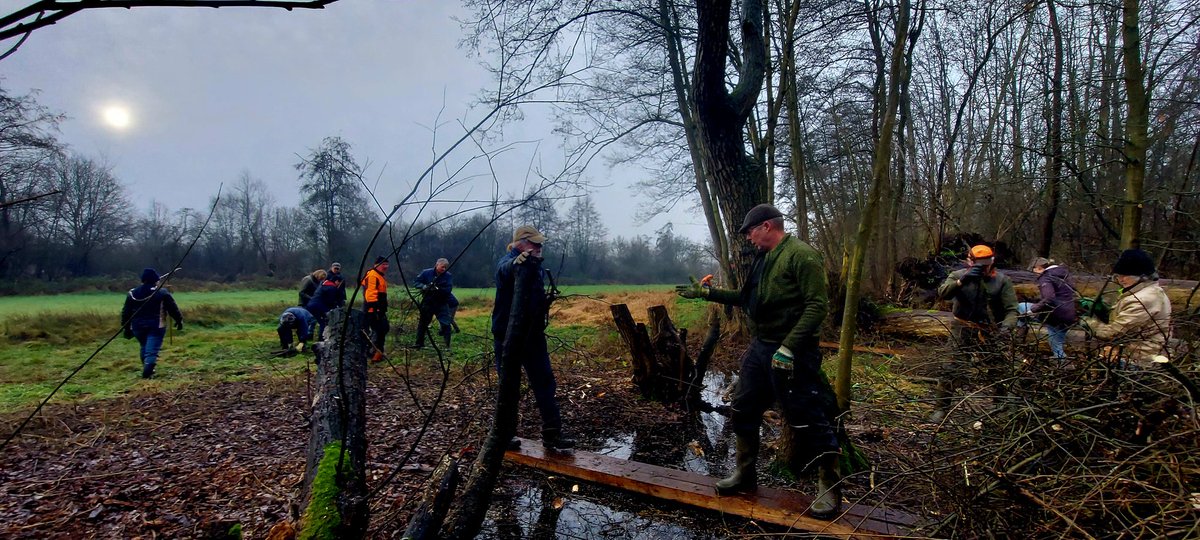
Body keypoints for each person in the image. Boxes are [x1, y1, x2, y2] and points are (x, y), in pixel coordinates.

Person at [675, 204, 839, 519]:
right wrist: (708, 294)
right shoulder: (764, 259)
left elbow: (817, 307)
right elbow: (745, 298)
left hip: (795, 351)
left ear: (766, 226)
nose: (748, 239)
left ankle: (829, 485)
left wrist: (789, 347)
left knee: (807, 416)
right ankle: (745, 474)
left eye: (750, 232)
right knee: (743, 407)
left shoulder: (802, 256)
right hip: (762, 348)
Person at [492, 225, 575, 451]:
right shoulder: (508, 262)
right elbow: (503, 271)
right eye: (534, 243)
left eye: (540, 244)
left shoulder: (535, 266)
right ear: (520, 243)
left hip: (533, 337)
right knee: (508, 387)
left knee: (545, 383)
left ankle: (552, 435)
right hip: (507, 337)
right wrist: (516, 263)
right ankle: (504, 435)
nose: (539, 247)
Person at [931, 244, 1019, 422]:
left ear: (992, 262)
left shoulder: (1002, 280)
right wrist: (961, 281)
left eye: (986, 264)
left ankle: (1000, 406)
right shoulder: (958, 276)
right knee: (950, 368)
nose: (984, 267)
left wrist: (1006, 327)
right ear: (970, 261)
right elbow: (942, 293)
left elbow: (1012, 309)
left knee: (999, 369)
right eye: (979, 264)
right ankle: (941, 408)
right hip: (961, 328)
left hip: (990, 330)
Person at [1081, 249, 1172, 368]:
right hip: (1139, 357)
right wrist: (1103, 312)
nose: (1121, 279)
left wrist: (1088, 323)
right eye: (1119, 275)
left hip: (1139, 360)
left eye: (1126, 276)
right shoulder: (1145, 292)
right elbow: (1129, 324)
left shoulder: (1143, 299)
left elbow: (1113, 333)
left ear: (1143, 277)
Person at [121, 268, 184, 379]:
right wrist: (179, 320)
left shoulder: (132, 293)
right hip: (156, 325)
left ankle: (147, 368)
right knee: (151, 350)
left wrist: (126, 328)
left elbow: (126, 312)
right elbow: (173, 309)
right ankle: (148, 370)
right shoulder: (162, 292)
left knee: (144, 346)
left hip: (137, 326)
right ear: (155, 280)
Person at [1018, 257, 1078, 360]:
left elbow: (1049, 298)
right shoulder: (1064, 274)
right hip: (1068, 315)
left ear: (1039, 267)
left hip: (1055, 314)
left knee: (1021, 307)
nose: (1034, 273)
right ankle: (1065, 367)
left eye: (1034, 270)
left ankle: (1017, 341)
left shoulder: (1046, 277)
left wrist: (1032, 310)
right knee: (1057, 346)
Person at [413, 257, 455, 350]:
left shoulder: (448, 276)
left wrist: (437, 289)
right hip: (428, 302)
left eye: (445, 267)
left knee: (446, 324)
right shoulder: (426, 272)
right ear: (437, 265)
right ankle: (419, 343)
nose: (443, 269)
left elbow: (448, 289)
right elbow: (416, 282)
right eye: (442, 267)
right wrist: (424, 286)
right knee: (423, 323)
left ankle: (447, 346)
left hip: (441, 303)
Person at [362, 256, 390, 362]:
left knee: (382, 330)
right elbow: (371, 293)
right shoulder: (373, 275)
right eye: (383, 264)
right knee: (380, 330)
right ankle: (374, 353)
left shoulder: (379, 276)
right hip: (373, 310)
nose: (386, 266)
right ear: (376, 265)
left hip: (379, 310)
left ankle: (376, 352)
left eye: (387, 264)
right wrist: (375, 310)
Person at [305, 274, 345, 340]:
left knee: (311, 321)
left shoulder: (323, 285)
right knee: (323, 322)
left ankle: (308, 336)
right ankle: (321, 339)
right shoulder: (332, 288)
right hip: (318, 306)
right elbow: (330, 301)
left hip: (311, 305)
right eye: (339, 283)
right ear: (337, 281)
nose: (339, 285)